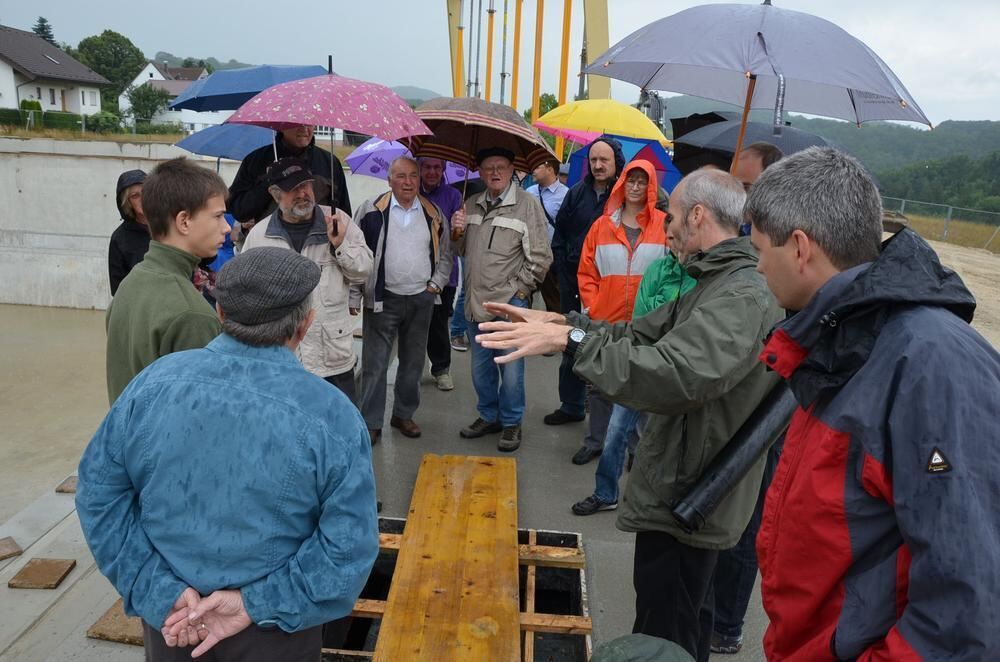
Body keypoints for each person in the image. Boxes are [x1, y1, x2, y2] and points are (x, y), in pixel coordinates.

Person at [476, 168, 783, 662]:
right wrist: (565, 322)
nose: (669, 226)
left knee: (665, 641)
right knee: (674, 629)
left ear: (699, 216)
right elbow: (639, 336)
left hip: (691, 498)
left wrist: (571, 341)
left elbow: (674, 373)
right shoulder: (713, 282)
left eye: (676, 217)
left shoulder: (739, 295)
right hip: (682, 487)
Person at [746, 147, 1000, 660]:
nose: (756, 265)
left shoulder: (929, 364)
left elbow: (967, 608)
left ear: (799, 248)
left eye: (758, 249)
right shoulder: (845, 344)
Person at [78, 247, 379, 662]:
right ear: (306, 324)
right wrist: (256, 603)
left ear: (220, 314)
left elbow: (97, 494)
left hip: (174, 627)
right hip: (275, 636)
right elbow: (348, 551)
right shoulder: (334, 418)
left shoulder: (152, 385)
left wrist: (156, 588)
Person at [710, 141, 782, 655]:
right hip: (737, 395)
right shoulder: (745, 241)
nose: (743, 198)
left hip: (772, 406)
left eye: (750, 187)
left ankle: (728, 624)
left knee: (746, 519)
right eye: (738, 186)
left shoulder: (781, 253)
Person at [242, 157, 373, 403]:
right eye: (293, 188)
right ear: (275, 194)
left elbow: (364, 270)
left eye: (307, 185)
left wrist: (341, 245)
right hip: (282, 356)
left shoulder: (339, 221)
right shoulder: (259, 235)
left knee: (338, 425)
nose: (303, 193)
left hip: (332, 357)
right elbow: (248, 294)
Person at [570, 160, 669, 473]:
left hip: (647, 323)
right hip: (606, 319)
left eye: (643, 181)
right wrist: (593, 307)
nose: (636, 187)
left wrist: (660, 311)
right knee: (599, 383)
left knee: (641, 385)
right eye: (631, 181)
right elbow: (587, 271)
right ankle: (594, 441)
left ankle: (635, 449)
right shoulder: (602, 226)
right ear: (622, 185)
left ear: (651, 187)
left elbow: (673, 272)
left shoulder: (665, 226)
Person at [451, 147, 552, 452]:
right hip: (475, 303)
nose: (495, 172)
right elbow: (461, 252)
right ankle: (488, 416)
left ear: (512, 170)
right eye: (488, 167)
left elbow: (540, 258)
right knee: (480, 369)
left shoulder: (527, 206)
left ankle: (511, 423)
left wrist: (519, 293)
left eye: (501, 167)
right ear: (479, 172)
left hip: (508, 306)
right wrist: (456, 233)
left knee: (511, 370)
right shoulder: (470, 204)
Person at [105, 158, 230, 404]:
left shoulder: (132, 282)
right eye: (217, 216)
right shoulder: (193, 316)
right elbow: (201, 412)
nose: (226, 227)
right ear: (184, 222)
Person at [352, 157, 452, 444]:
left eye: (412, 176)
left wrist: (435, 285)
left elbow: (446, 255)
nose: (407, 182)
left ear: (419, 180)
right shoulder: (371, 210)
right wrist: (355, 295)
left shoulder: (433, 213)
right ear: (389, 179)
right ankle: (371, 421)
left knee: (413, 363)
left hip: (421, 298)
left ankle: (403, 415)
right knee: (375, 363)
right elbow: (356, 253)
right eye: (400, 176)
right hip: (383, 299)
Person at [547, 136, 625, 430]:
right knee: (572, 342)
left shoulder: (624, 197)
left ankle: (604, 407)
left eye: (604, 160)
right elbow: (560, 236)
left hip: (610, 288)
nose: (598, 165)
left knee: (606, 345)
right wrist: (563, 275)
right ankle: (571, 404)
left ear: (616, 162)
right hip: (572, 283)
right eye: (594, 160)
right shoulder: (577, 193)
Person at [228, 125, 351, 238]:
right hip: (270, 245)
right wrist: (268, 182)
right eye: (296, 123)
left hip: (319, 249)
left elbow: (344, 214)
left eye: (309, 122)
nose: (304, 128)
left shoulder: (329, 162)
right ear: (280, 125)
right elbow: (239, 211)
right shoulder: (256, 161)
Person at [419, 157, 466, 391]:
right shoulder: (410, 192)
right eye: (427, 166)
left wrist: (459, 228)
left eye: (437, 167)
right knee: (414, 324)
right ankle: (414, 366)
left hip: (445, 273)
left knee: (438, 323)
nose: (432, 171)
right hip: (414, 271)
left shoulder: (454, 196)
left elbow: (458, 240)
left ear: (443, 170)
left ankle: (441, 369)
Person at [524, 158, 569, 312]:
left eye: (537, 166)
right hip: (528, 256)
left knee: (554, 302)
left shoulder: (565, 195)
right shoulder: (529, 192)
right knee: (523, 297)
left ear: (550, 169)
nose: (533, 170)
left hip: (551, 258)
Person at [108, 169, 150, 295]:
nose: (142, 199)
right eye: (135, 196)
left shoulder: (169, 226)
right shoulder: (119, 238)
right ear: (127, 202)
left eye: (145, 192)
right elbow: (117, 289)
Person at [732, 142, 783, 238]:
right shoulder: (730, 229)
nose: (735, 194)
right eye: (732, 185)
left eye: (746, 187)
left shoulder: (779, 240)